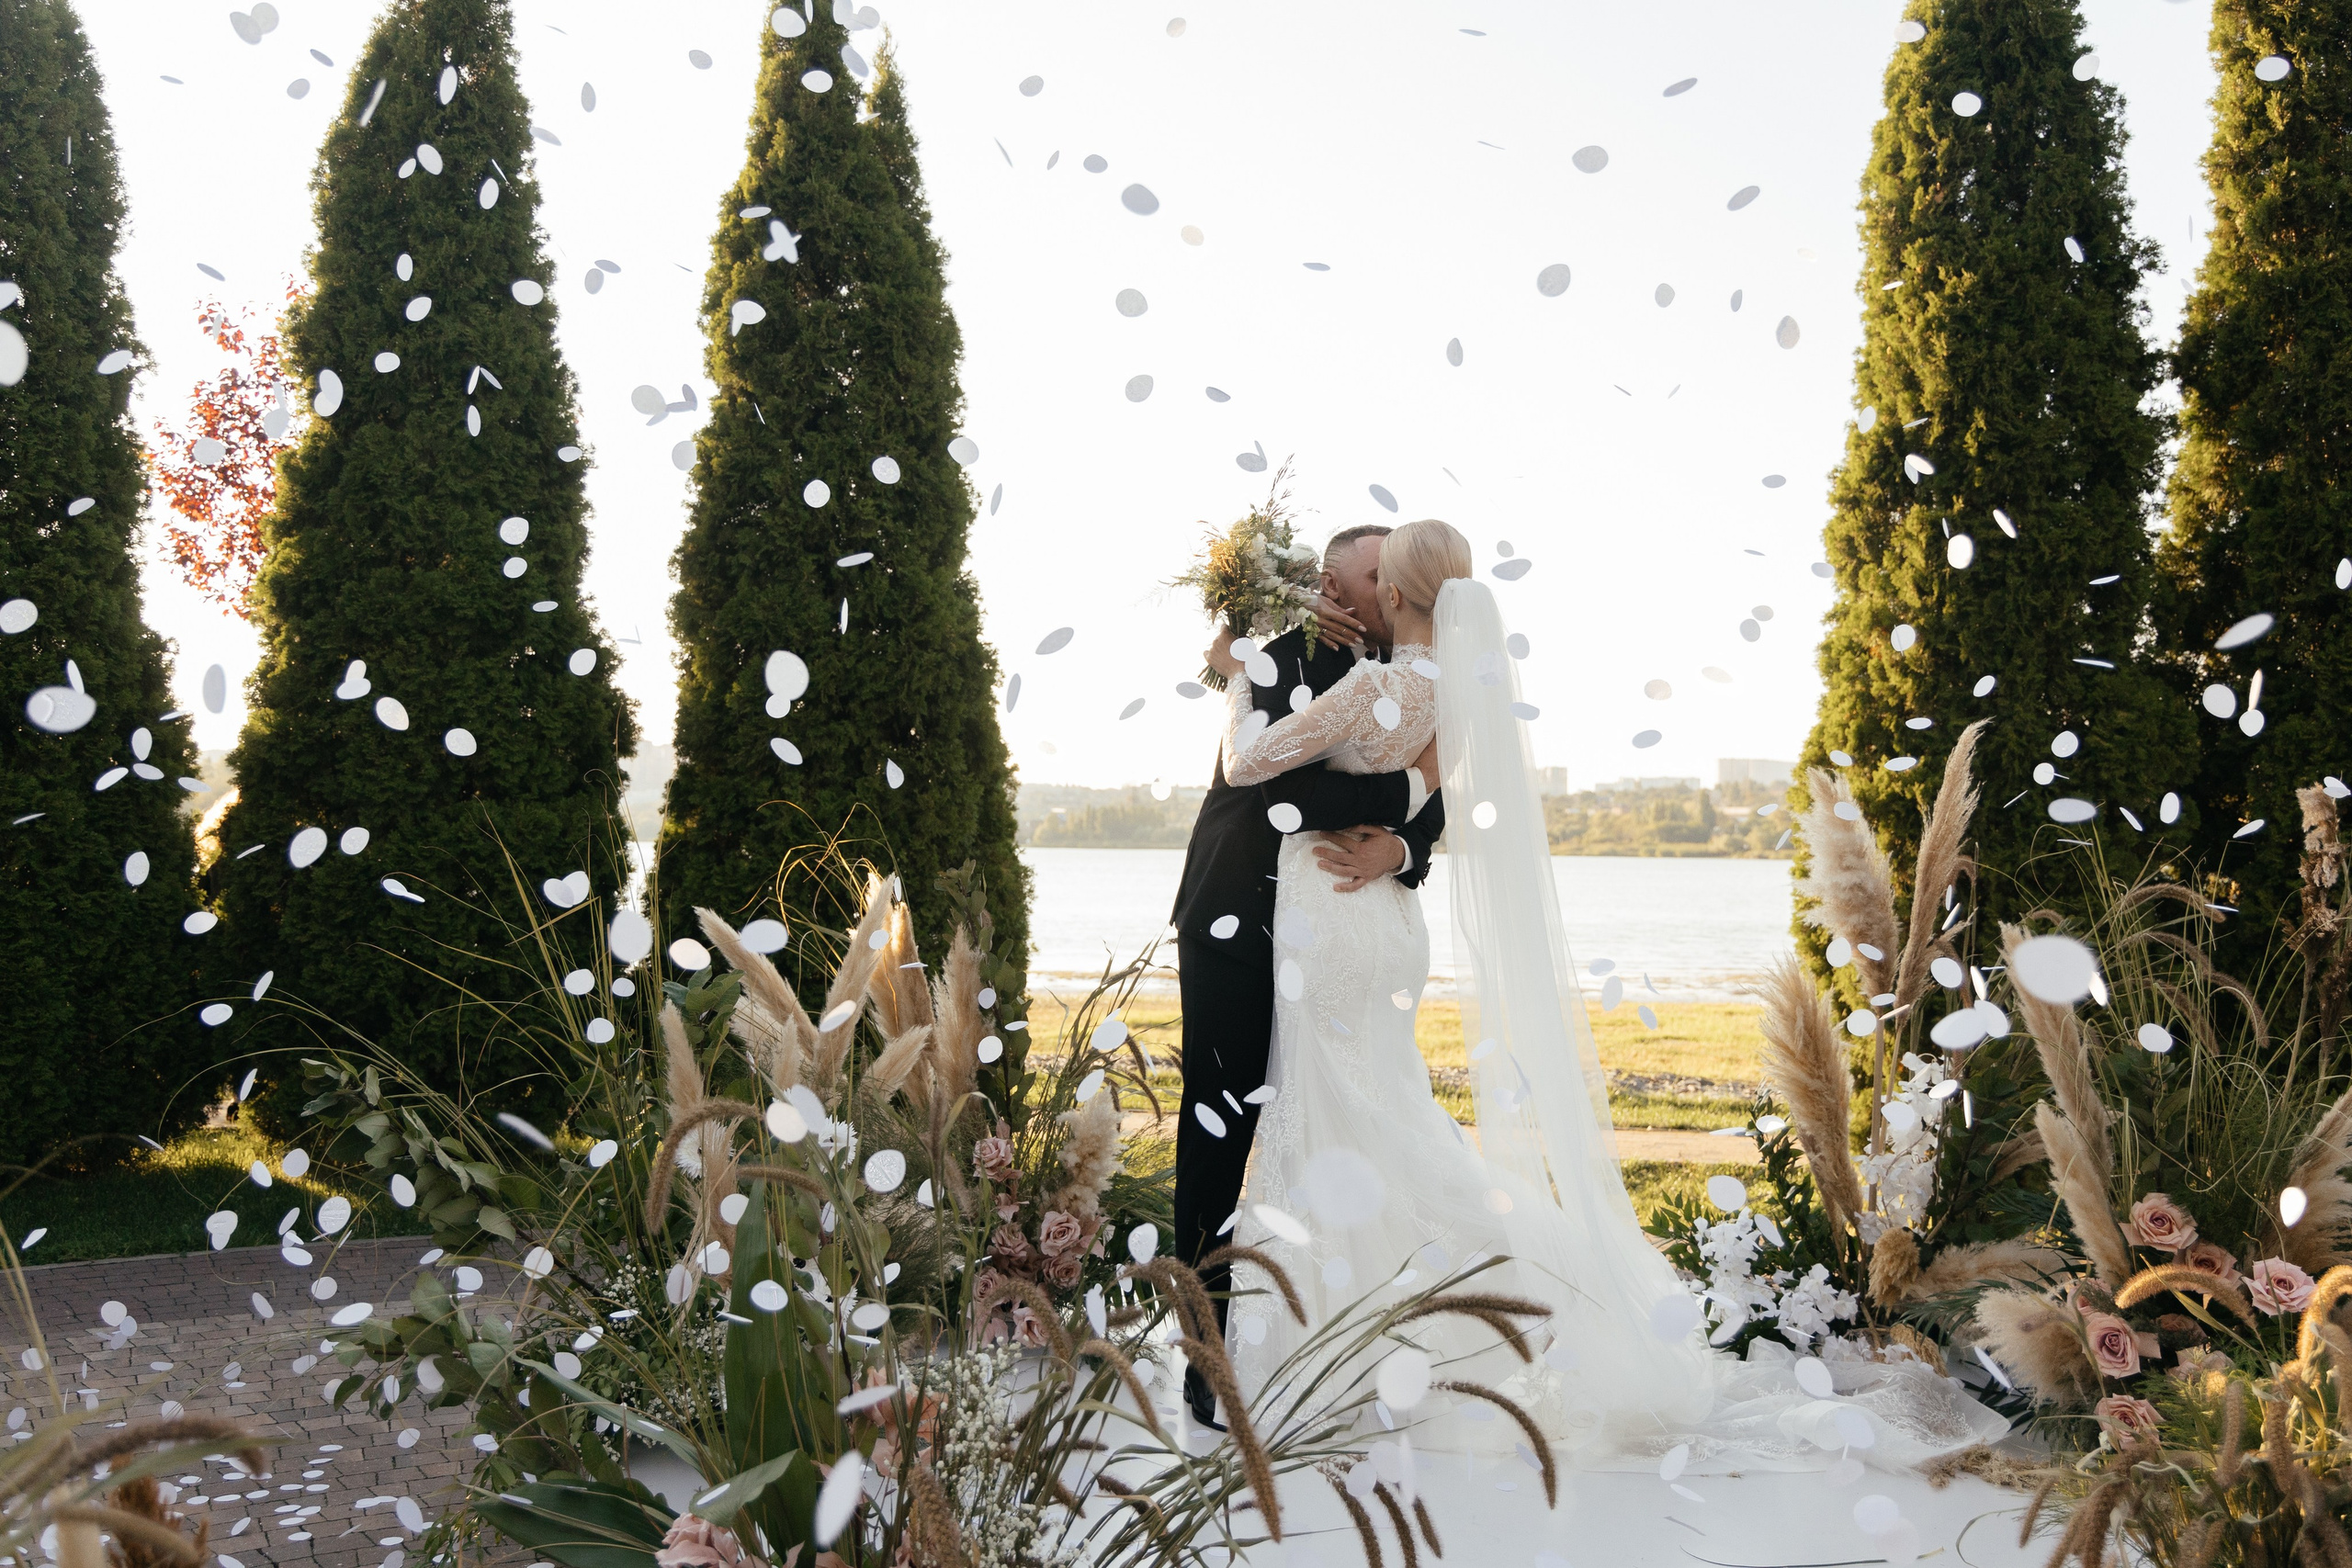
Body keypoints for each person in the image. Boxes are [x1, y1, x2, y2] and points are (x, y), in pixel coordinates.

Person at [1209, 518, 2006, 1471]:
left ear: (1394, 595)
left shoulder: (1375, 684)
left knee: (1338, 1115)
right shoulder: (1456, 695)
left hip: (1329, 916)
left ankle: (1353, 1339)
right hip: (1383, 919)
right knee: (1381, 1113)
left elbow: (1245, 764)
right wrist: (1398, 835)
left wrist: (1237, 671)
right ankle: (1448, 1314)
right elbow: (1429, 801)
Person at [1168, 523, 1446, 1430]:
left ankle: (1331, 1330)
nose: (1385, 590)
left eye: (1390, 575)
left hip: (1330, 940)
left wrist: (1401, 845)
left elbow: (1440, 804)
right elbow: (1264, 789)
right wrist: (1395, 801)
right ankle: (1204, 1362)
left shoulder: (1411, 675)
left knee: (1336, 1121)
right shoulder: (1270, 658)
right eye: (1372, 575)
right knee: (1220, 1131)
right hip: (1234, 922)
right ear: (1329, 582)